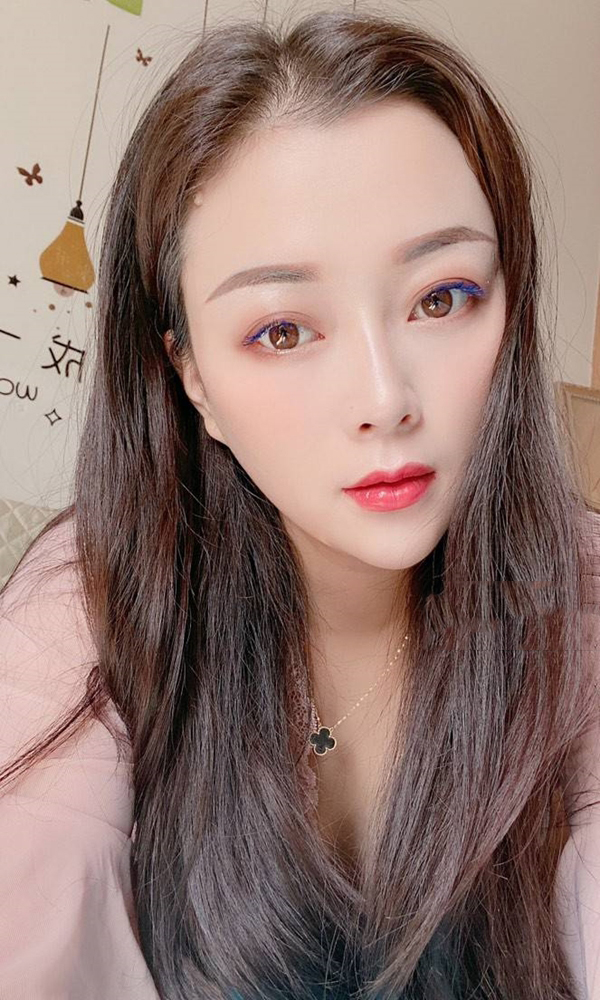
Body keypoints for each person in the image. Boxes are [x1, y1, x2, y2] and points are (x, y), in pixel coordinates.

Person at [0, 8, 599, 999]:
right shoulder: (97, 599)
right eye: (282, 330)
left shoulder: (576, 594)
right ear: (191, 377)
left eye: (442, 297)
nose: (385, 398)